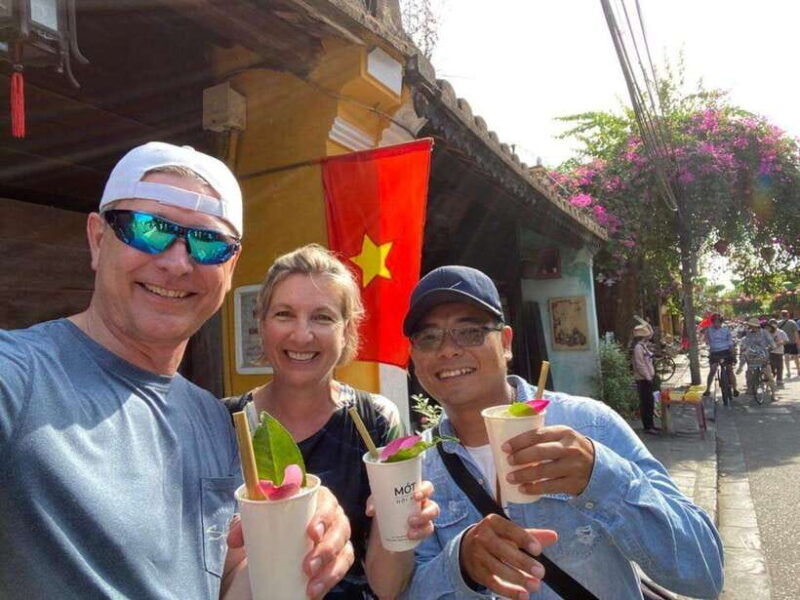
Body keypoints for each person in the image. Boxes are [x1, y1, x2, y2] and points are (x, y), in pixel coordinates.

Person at [0, 142, 354, 600]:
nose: (176, 263)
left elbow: (226, 584)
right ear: (98, 238)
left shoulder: (217, 422)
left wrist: (299, 533)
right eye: (148, 229)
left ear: (231, 267)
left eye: (208, 243)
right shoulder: (20, 376)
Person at [400, 266, 724, 600]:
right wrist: (459, 565)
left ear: (506, 343)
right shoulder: (416, 468)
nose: (447, 350)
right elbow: (409, 589)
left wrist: (602, 477)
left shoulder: (589, 424)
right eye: (429, 338)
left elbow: (704, 571)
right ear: (414, 357)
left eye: (469, 332)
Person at [233, 244, 439, 599]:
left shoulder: (376, 421)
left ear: (347, 330)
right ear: (262, 325)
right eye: (284, 314)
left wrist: (402, 525)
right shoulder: (227, 423)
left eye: (323, 317)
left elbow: (388, 587)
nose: (302, 335)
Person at [736, 318, 777, 396]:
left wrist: (771, 347)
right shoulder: (749, 333)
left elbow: (772, 343)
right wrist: (744, 347)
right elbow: (746, 343)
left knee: (768, 375)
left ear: (757, 326)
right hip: (752, 356)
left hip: (763, 355)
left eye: (753, 326)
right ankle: (748, 384)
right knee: (749, 372)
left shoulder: (764, 332)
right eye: (751, 326)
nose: (752, 328)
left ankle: (773, 393)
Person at [702, 313, 739, 397]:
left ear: (721, 322)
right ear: (712, 322)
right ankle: (707, 389)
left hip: (725, 351)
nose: (716, 324)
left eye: (718, 322)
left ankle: (735, 389)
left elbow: (730, 343)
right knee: (712, 370)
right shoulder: (708, 330)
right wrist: (706, 338)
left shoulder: (726, 330)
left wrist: (733, 353)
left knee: (730, 369)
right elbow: (706, 340)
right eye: (715, 322)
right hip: (714, 352)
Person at [631, 322, 659, 434]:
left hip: (647, 378)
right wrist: (647, 377)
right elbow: (640, 364)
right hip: (643, 379)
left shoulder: (643, 346)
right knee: (646, 402)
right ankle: (648, 426)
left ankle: (651, 425)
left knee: (650, 402)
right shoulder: (638, 348)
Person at [777, 309, 800, 378]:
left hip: (784, 342)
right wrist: (798, 342)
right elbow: (796, 333)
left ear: (781, 315)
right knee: (796, 357)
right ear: (788, 315)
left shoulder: (778, 323)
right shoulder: (792, 322)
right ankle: (798, 370)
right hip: (792, 342)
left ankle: (788, 371)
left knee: (786, 357)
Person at [766, 320, 788, 387]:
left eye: (774, 324)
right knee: (771, 366)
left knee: (779, 366)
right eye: (771, 324)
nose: (772, 325)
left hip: (779, 352)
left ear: (776, 324)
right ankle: (771, 378)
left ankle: (779, 380)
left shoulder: (781, 332)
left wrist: (780, 343)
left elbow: (786, 340)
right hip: (770, 352)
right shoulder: (767, 332)